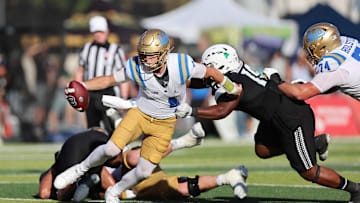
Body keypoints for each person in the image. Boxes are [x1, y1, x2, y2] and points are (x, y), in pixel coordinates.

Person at [54, 29, 242, 202]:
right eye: (143, 55)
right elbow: (109, 79)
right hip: (140, 114)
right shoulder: (136, 66)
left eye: (151, 56)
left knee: (144, 171)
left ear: (164, 53)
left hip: (165, 122)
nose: (147, 60)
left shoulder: (182, 64)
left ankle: (115, 190)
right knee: (111, 149)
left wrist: (231, 87)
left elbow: (211, 72)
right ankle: (79, 170)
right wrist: (84, 86)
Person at [175, 43, 360, 203]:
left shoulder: (234, 81)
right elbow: (200, 80)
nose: (206, 71)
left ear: (221, 67)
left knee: (308, 171)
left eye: (209, 67)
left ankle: (355, 189)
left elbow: (222, 111)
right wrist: (170, 77)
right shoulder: (232, 71)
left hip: (292, 118)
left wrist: (192, 111)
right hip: (272, 117)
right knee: (262, 150)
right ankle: (315, 143)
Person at [39, 124, 247, 201]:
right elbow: (48, 193)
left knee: (131, 158)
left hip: (126, 171)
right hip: (132, 184)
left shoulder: (101, 156)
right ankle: (226, 177)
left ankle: (182, 142)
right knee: (180, 189)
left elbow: (108, 179)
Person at [272, 23, 360, 101]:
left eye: (312, 49)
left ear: (322, 48)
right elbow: (332, 85)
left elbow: (300, 94)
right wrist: (312, 84)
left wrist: (276, 82)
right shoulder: (346, 43)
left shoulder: (333, 67)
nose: (309, 55)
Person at [74, 15, 128, 133]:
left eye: (101, 31)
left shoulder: (116, 50)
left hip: (110, 93)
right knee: (93, 129)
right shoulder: (86, 49)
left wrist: (123, 98)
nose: (98, 34)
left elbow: (123, 74)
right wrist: (77, 91)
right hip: (91, 93)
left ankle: (114, 150)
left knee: (113, 128)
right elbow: (80, 71)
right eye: (96, 32)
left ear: (107, 31)